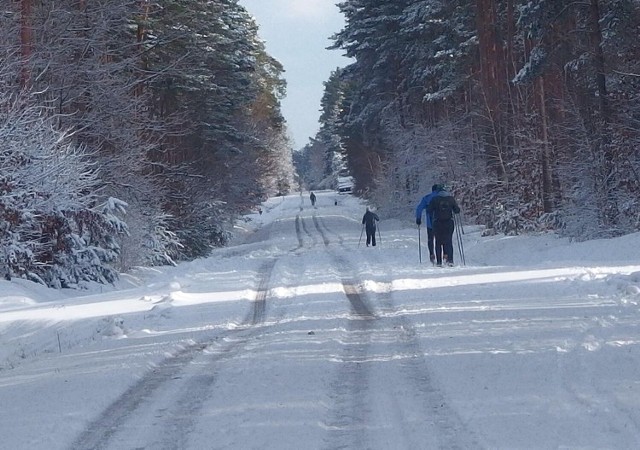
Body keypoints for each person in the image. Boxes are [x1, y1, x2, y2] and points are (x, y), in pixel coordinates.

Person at [426, 184, 460, 266]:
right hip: (449, 222)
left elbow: (429, 210)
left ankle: (439, 262)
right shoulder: (451, 199)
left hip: (437, 223)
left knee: (438, 242)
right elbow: (457, 210)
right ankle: (450, 260)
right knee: (448, 241)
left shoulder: (434, 199)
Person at [415, 184, 439, 263]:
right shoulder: (443, 197)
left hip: (430, 223)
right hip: (442, 222)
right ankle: (444, 255)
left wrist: (418, 218)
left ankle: (432, 254)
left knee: (430, 239)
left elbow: (419, 208)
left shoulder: (427, 198)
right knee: (441, 239)